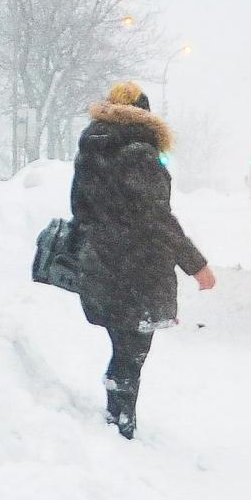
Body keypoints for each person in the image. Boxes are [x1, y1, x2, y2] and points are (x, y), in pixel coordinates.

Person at [69, 79, 213, 439]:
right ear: (144, 113)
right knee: (133, 348)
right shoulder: (139, 152)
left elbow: (79, 208)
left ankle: (117, 415)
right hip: (137, 265)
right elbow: (156, 218)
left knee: (123, 343)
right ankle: (122, 423)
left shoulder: (90, 149)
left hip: (102, 260)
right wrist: (196, 264)